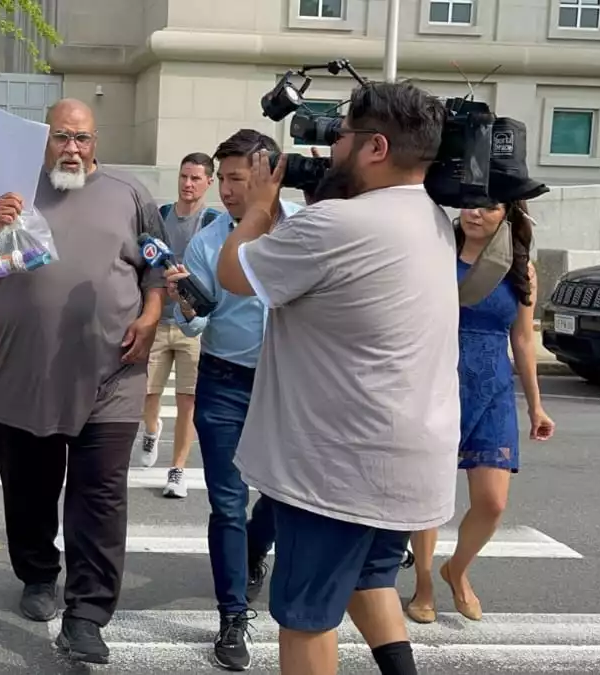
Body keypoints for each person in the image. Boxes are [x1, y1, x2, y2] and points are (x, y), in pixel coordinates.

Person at [216, 82, 458, 675]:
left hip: (337, 467)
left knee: (304, 620)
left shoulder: (335, 225)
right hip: (406, 460)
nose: (328, 147)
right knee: (369, 578)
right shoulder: (433, 219)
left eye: (340, 134)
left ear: (376, 147)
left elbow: (234, 274)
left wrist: (258, 211)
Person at [0, 98, 165, 664]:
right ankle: (38, 574)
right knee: (31, 491)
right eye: (63, 136)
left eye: (84, 138)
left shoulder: (129, 194)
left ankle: (88, 613)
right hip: (25, 376)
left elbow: (156, 263)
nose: (73, 148)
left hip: (113, 375)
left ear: (97, 142)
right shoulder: (3, 189)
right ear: (46, 138)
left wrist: (151, 313)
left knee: (100, 498)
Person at [164, 130, 301, 671]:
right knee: (226, 503)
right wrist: (188, 306)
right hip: (223, 383)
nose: (225, 190)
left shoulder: (302, 230)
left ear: (268, 176)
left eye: (237, 179)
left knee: (281, 496)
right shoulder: (208, 238)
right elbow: (193, 321)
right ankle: (231, 618)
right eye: (221, 179)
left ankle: (251, 551)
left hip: (288, 385)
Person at [405, 198, 555, 624]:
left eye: (488, 207)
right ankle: (424, 582)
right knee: (430, 496)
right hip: (436, 382)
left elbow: (523, 340)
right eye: (469, 205)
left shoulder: (519, 269)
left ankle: (458, 569)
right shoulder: (436, 253)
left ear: (507, 215)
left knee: (492, 502)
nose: (475, 213)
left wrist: (536, 406)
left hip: (492, 389)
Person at [136, 152, 219, 498]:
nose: (188, 184)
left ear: (209, 182)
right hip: (158, 318)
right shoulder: (163, 215)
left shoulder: (214, 221)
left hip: (193, 323)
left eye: (196, 178)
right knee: (146, 393)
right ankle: (151, 430)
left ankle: (177, 470)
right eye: (184, 176)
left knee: (188, 401)